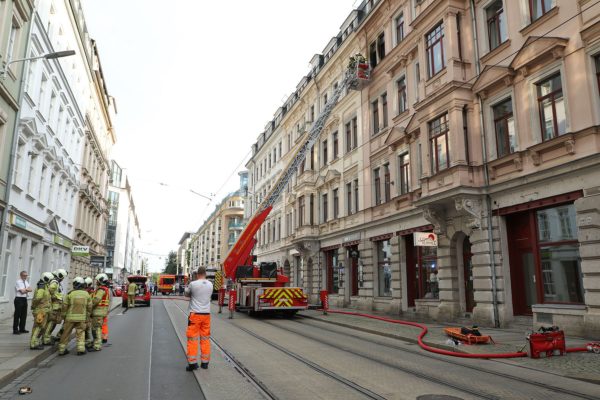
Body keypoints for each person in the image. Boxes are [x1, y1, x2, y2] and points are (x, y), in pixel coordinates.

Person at [185, 267, 213, 371]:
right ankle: (205, 363)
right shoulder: (210, 284)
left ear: (197, 274)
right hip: (206, 314)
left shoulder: (193, 284)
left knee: (192, 338)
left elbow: (186, 295)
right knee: (205, 338)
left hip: (195, 314)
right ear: (205, 274)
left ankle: (193, 364)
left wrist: (189, 285)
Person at [58, 277, 92, 356]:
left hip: (70, 318)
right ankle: (80, 349)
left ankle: (62, 350)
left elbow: (64, 306)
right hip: (81, 318)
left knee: (65, 334)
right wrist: (87, 316)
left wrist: (64, 316)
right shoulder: (86, 294)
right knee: (80, 333)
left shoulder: (70, 294)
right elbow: (90, 307)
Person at [30, 272, 54, 349]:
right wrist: (34, 306)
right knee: (38, 327)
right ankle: (33, 344)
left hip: (44, 310)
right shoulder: (41, 287)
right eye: (50, 280)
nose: (50, 281)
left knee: (40, 327)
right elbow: (38, 298)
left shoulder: (44, 286)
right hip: (41, 310)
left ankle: (35, 341)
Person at [43, 269, 67, 345]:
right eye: (63, 277)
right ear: (60, 275)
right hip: (55, 305)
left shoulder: (55, 282)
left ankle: (46, 336)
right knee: (52, 322)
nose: (63, 279)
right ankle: (46, 338)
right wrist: (54, 297)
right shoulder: (55, 282)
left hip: (56, 305)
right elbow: (50, 290)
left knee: (52, 322)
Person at [89, 273, 111, 351]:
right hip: (102, 311)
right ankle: (96, 342)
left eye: (97, 281)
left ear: (100, 281)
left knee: (96, 328)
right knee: (98, 328)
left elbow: (96, 300)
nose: (96, 282)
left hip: (98, 312)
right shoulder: (105, 289)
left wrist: (90, 306)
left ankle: (97, 345)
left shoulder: (101, 290)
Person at [83, 277, 95, 349]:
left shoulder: (90, 291)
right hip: (86, 312)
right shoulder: (90, 291)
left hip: (85, 312)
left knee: (87, 328)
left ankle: (88, 342)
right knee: (86, 328)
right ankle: (88, 342)